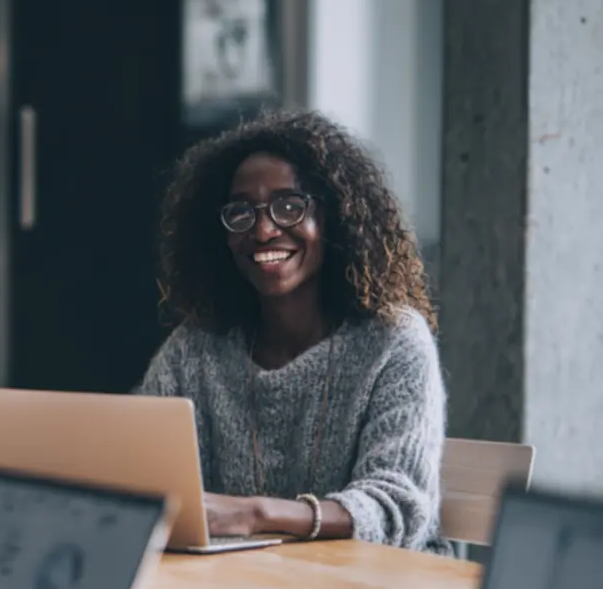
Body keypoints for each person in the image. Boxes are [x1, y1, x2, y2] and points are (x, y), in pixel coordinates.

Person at [137, 110, 446, 551]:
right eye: (241, 212)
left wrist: (256, 514)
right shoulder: (196, 349)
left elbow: (397, 507)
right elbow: (146, 473)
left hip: (370, 583)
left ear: (335, 217)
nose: (264, 230)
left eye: (289, 206)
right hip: (243, 580)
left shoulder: (392, 340)